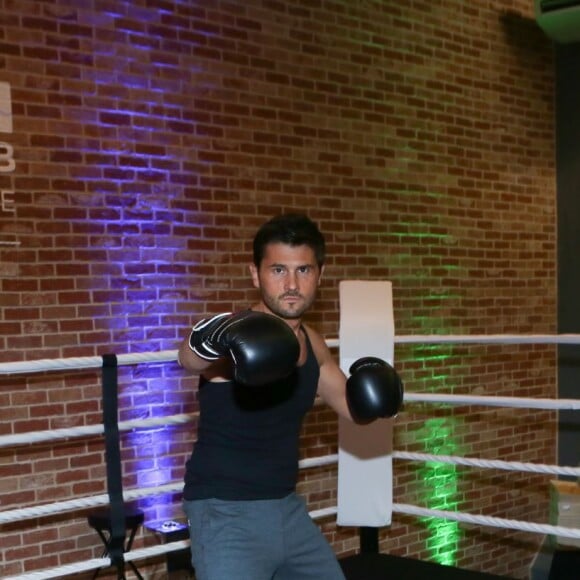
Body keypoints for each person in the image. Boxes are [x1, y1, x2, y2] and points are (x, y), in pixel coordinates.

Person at [178, 213, 403, 580]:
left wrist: (380, 393)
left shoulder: (313, 343)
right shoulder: (239, 335)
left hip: (287, 509)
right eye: (278, 270)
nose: (292, 284)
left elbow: (350, 405)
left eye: (304, 270)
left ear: (320, 275)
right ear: (256, 274)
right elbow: (189, 360)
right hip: (225, 512)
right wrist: (213, 336)